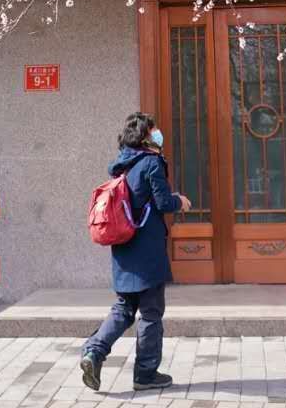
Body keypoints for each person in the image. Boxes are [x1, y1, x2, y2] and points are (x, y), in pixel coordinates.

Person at [80, 111, 191, 391]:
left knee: (124, 308)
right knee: (151, 312)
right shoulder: (151, 162)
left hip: (123, 250)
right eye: (154, 130)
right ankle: (145, 374)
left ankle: (93, 351)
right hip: (148, 251)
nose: (158, 134)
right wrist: (181, 201)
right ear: (145, 135)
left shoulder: (122, 166)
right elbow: (163, 203)